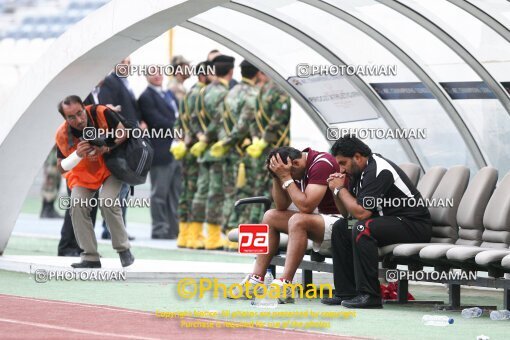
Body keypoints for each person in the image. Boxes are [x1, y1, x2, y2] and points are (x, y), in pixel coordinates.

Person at [322, 136, 432, 308]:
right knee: (341, 227)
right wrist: (336, 191)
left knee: (362, 227)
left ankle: (370, 295)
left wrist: (340, 188)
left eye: (343, 163)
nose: (341, 169)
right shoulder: (357, 173)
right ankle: (346, 292)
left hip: (412, 224)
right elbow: (347, 214)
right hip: (386, 222)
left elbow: (362, 213)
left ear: (357, 157)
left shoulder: (378, 170)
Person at [229, 146, 341, 303]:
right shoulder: (295, 166)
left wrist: (287, 178)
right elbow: (281, 206)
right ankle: (256, 279)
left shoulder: (321, 163)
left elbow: (307, 206)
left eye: (288, 173)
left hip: (342, 223)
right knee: (270, 216)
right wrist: (277, 177)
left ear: (295, 163)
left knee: (298, 220)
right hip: (320, 221)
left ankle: (286, 283)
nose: (289, 177)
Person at [55, 95, 135, 268]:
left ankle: (123, 249)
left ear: (84, 107)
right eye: (71, 117)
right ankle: (90, 256)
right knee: (76, 204)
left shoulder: (101, 112)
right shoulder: (62, 134)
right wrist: (77, 154)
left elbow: (124, 131)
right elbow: (61, 167)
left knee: (107, 202)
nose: (78, 119)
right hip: (84, 174)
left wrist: (105, 146)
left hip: (112, 168)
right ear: (65, 119)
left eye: (80, 113)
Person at [209, 59, 260, 251]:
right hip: (247, 151)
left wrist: (224, 142)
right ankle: (243, 239)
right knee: (251, 195)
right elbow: (246, 125)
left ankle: (228, 236)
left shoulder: (229, 93)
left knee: (229, 193)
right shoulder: (254, 94)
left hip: (228, 150)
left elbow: (220, 122)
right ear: (257, 73)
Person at [189, 54, 235, 250]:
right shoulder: (225, 93)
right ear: (231, 72)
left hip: (203, 150)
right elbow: (220, 120)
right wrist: (209, 137)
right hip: (219, 149)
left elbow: (192, 118)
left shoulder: (201, 92)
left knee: (201, 192)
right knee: (218, 193)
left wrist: (201, 136)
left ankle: (195, 234)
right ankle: (214, 237)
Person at [172, 61, 213, 248]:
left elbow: (178, 123)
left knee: (187, 191)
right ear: (204, 75)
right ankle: (195, 236)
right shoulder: (203, 94)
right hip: (199, 149)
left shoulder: (188, 93)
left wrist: (179, 142)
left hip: (186, 149)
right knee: (199, 191)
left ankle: (184, 234)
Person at [99, 58, 141, 240]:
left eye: (128, 61)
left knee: (123, 188)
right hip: (118, 144)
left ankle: (116, 228)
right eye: (122, 61)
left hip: (128, 143)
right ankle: (112, 229)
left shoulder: (125, 83)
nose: (126, 64)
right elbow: (108, 111)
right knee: (118, 189)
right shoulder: (110, 82)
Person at [138, 69, 181, 239]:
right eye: (152, 73)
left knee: (174, 193)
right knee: (159, 194)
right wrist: (178, 127)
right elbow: (155, 120)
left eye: (159, 72)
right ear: (146, 76)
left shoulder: (168, 94)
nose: (157, 75)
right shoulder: (145, 97)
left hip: (176, 150)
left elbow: (178, 115)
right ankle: (159, 229)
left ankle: (173, 229)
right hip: (161, 151)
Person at [245, 73, 291, 223]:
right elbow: (279, 116)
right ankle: (264, 224)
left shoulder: (259, 91)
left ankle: (255, 222)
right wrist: (264, 139)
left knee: (258, 187)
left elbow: (252, 118)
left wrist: (256, 139)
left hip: (262, 147)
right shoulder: (278, 90)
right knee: (272, 188)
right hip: (276, 148)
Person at [40, 145, 62, 218]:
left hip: (53, 155)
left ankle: (47, 209)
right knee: (51, 183)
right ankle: (47, 210)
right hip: (52, 158)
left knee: (52, 183)